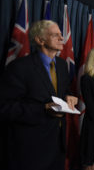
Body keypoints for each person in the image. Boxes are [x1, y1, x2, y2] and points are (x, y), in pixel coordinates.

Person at [0, 20, 78, 170]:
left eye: (61, 35)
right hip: (30, 149)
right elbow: (5, 107)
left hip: (57, 145)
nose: (61, 38)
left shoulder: (62, 66)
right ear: (40, 40)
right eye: (56, 35)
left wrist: (69, 96)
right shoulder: (20, 67)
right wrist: (42, 109)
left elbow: (62, 91)